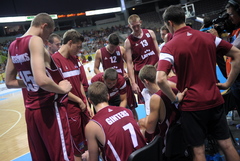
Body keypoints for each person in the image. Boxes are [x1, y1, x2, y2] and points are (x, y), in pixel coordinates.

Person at [156, 5, 240, 161]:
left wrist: (175, 99)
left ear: (170, 23)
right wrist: (228, 83)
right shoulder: (209, 37)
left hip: (192, 105)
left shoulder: (169, 47)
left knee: (199, 151)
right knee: (227, 145)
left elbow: (160, 79)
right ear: (184, 18)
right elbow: (237, 54)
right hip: (215, 100)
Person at [5, 13, 74, 161]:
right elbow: (41, 80)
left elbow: (9, 82)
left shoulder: (12, 46)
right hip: (49, 107)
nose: (46, 39)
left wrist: (31, 82)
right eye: (48, 33)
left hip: (31, 110)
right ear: (44, 26)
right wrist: (61, 88)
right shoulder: (35, 40)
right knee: (62, 156)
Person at [52, 29, 93, 161]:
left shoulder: (75, 59)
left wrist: (85, 102)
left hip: (82, 108)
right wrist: (78, 101)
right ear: (70, 43)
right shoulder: (55, 61)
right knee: (77, 148)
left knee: (89, 142)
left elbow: (80, 83)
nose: (80, 50)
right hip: (69, 111)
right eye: (78, 47)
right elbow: (59, 88)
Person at [85, 81, 146, 161]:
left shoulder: (92, 126)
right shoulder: (127, 111)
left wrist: (87, 156)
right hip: (144, 156)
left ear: (90, 101)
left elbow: (93, 159)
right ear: (108, 96)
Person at [138, 65, 189, 161]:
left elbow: (150, 129)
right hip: (182, 136)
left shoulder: (156, 98)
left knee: (140, 126)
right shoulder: (174, 88)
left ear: (146, 81)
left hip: (166, 144)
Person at [94, 33, 138, 119]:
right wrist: (103, 76)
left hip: (123, 82)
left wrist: (128, 74)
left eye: (115, 47)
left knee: (131, 106)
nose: (113, 49)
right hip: (110, 84)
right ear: (107, 42)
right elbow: (95, 68)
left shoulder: (121, 49)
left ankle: (136, 125)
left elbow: (129, 63)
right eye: (111, 46)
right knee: (112, 107)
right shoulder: (100, 52)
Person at [124, 14, 159, 104]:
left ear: (141, 22)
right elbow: (129, 63)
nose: (136, 28)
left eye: (137, 26)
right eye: (133, 26)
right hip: (142, 76)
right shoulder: (128, 41)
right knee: (147, 101)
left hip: (156, 70)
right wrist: (133, 83)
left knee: (163, 94)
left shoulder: (150, 33)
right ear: (129, 26)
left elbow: (158, 52)